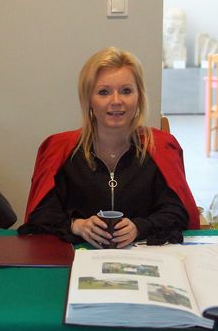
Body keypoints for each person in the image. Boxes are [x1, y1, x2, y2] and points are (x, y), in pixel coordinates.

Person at [18, 47, 200, 248]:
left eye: (126, 91)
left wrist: (139, 227)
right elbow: (41, 216)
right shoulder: (58, 150)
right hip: (77, 257)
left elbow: (177, 212)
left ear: (139, 96)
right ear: (88, 99)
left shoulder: (162, 148)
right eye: (104, 92)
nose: (116, 101)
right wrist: (76, 225)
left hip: (146, 257)